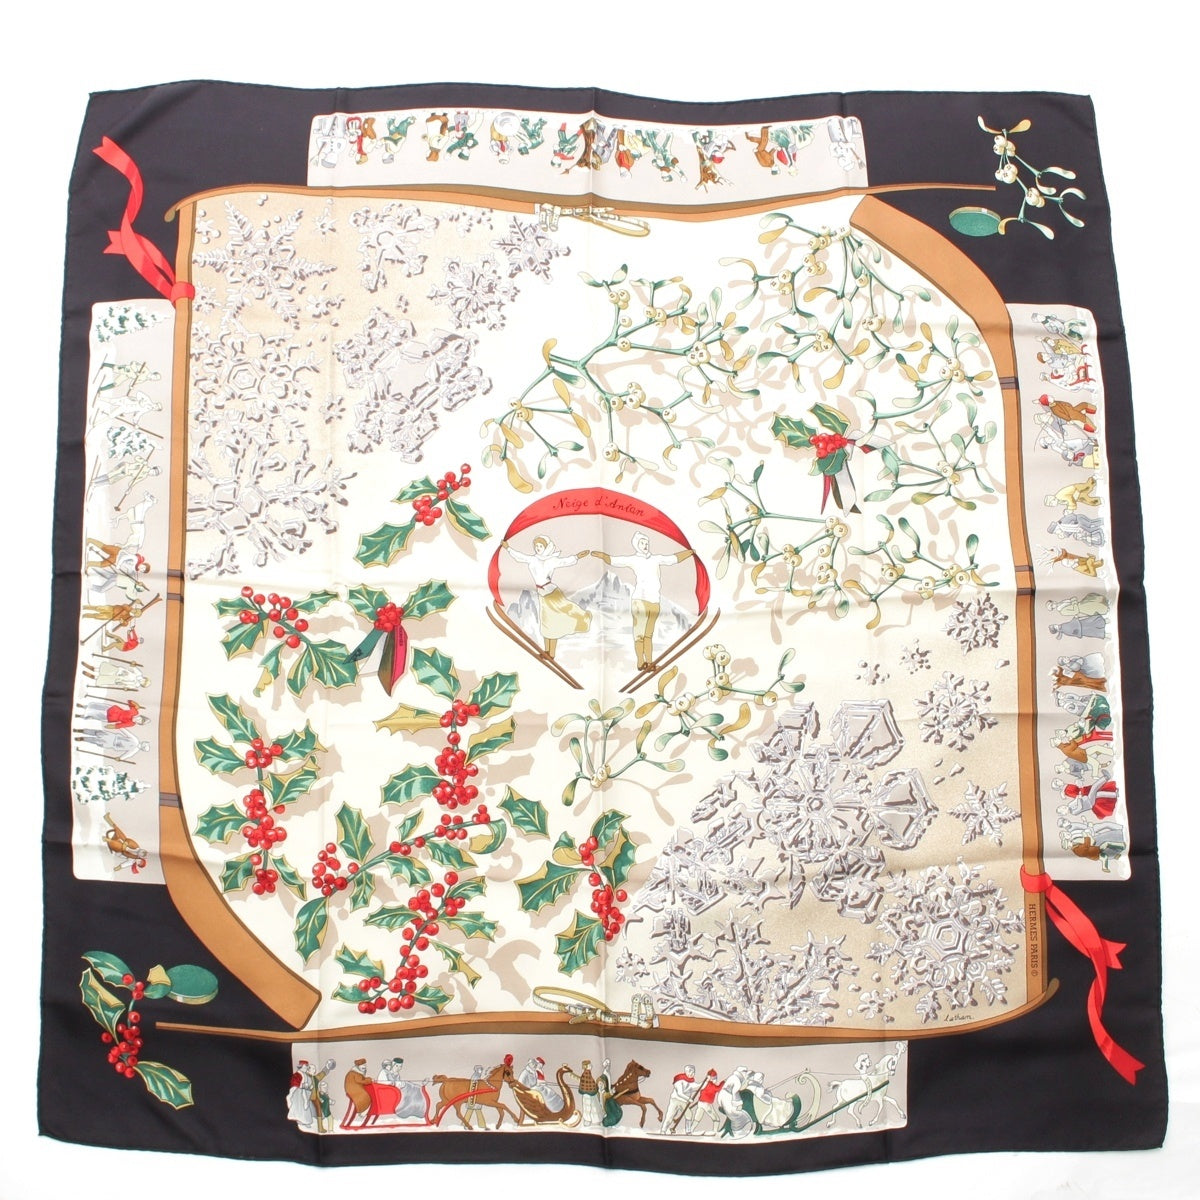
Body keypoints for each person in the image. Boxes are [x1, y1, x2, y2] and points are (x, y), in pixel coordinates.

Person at [590, 530, 695, 669]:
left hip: (654, 601)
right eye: (642, 543)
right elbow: (615, 560)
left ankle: (650, 662)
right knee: (639, 634)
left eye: (646, 542)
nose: (645, 545)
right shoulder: (634, 560)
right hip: (640, 600)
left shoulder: (655, 559)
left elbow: (673, 559)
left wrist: (690, 552)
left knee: (649, 635)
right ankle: (641, 662)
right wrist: (603, 556)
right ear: (636, 545)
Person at [503, 535, 592, 657]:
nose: (538, 548)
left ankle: (552, 653)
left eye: (540, 546)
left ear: (546, 547)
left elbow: (564, 561)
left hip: (552, 594)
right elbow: (520, 557)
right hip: (543, 595)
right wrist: (508, 548)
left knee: (552, 623)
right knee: (546, 623)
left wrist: (577, 556)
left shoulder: (551, 560)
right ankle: (547, 651)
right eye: (536, 546)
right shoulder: (533, 559)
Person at [661, 1063, 700, 1134]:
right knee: (670, 1116)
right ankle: (663, 1130)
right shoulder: (679, 1080)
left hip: (684, 1102)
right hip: (675, 1100)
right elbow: (680, 1093)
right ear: (686, 1072)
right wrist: (688, 1099)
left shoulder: (691, 1082)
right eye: (690, 1071)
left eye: (693, 1072)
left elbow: (699, 1086)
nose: (692, 1073)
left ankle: (688, 1131)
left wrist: (706, 1081)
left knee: (689, 1114)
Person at [342, 1058, 373, 1128]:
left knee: (366, 1093)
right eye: (363, 1066)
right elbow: (360, 1081)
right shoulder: (355, 1073)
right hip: (353, 1089)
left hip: (353, 1087)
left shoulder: (357, 1072)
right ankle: (362, 1111)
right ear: (358, 1067)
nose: (364, 1067)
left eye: (365, 1066)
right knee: (365, 1096)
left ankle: (363, 1111)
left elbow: (361, 1080)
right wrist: (369, 1080)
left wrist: (367, 1079)